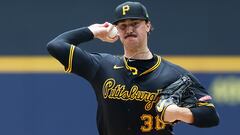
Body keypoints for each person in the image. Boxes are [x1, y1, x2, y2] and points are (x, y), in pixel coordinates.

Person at [47, 1, 219, 135]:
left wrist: (179, 113)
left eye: (135, 23)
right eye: (122, 25)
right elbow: (56, 46)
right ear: (117, 31)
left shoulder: (175, 74)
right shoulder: (101, 66)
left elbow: (211, 115)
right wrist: (92, 31)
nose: (129, 29)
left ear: (148, 25)